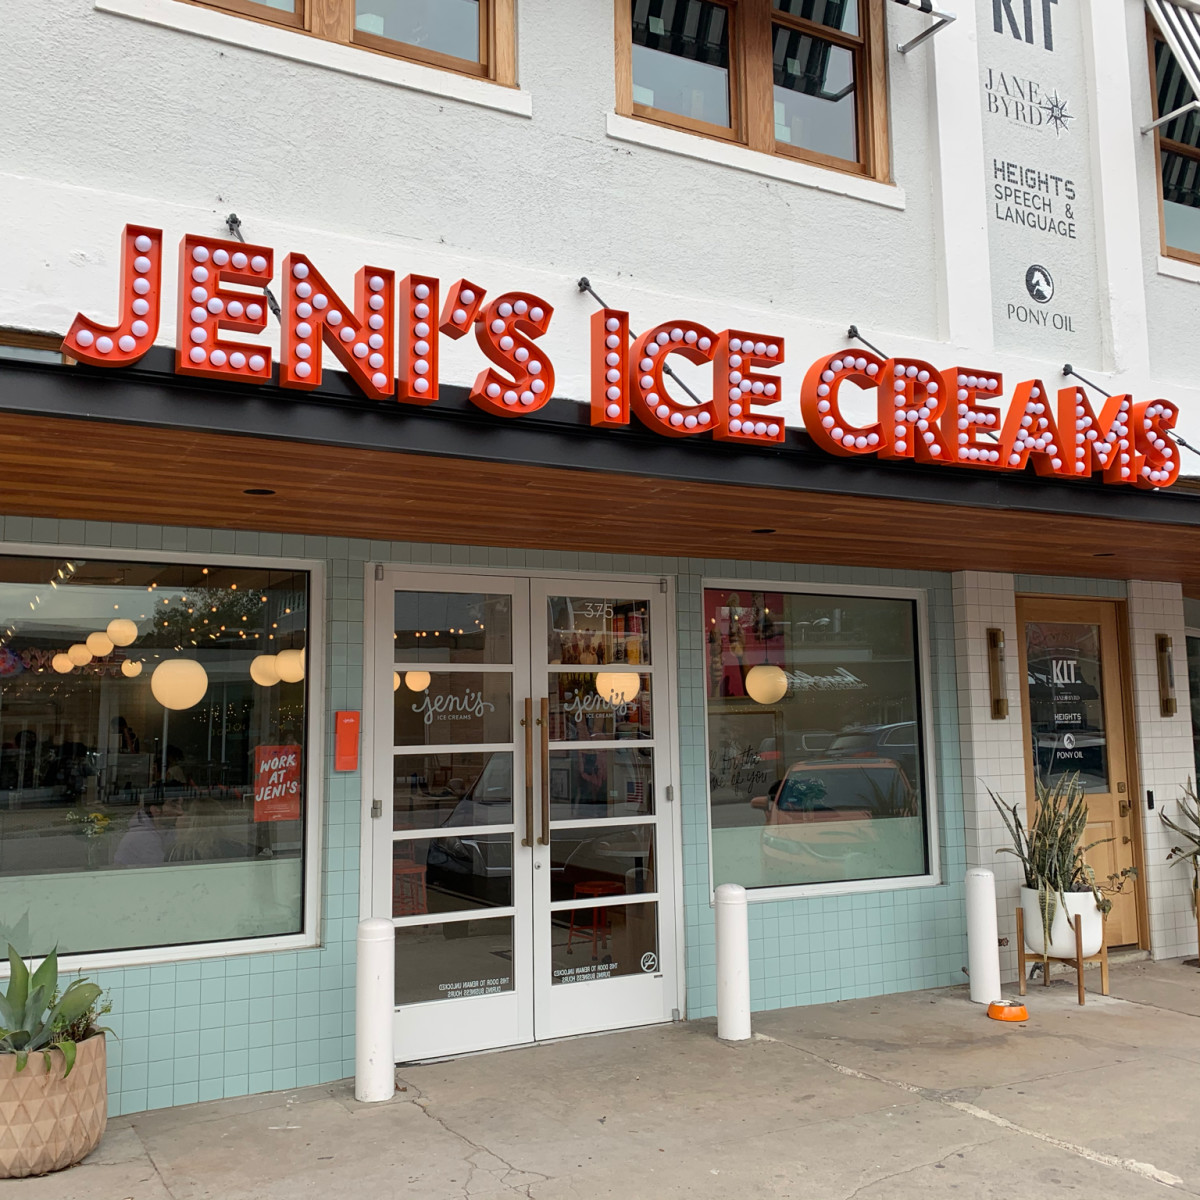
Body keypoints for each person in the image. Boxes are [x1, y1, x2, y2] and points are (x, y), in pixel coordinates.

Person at [113, 795, 182, 866]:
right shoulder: (143, 838)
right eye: (173, 806)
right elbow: (158, 873)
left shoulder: (162, 830)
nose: (181, 812)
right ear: (155, 810)